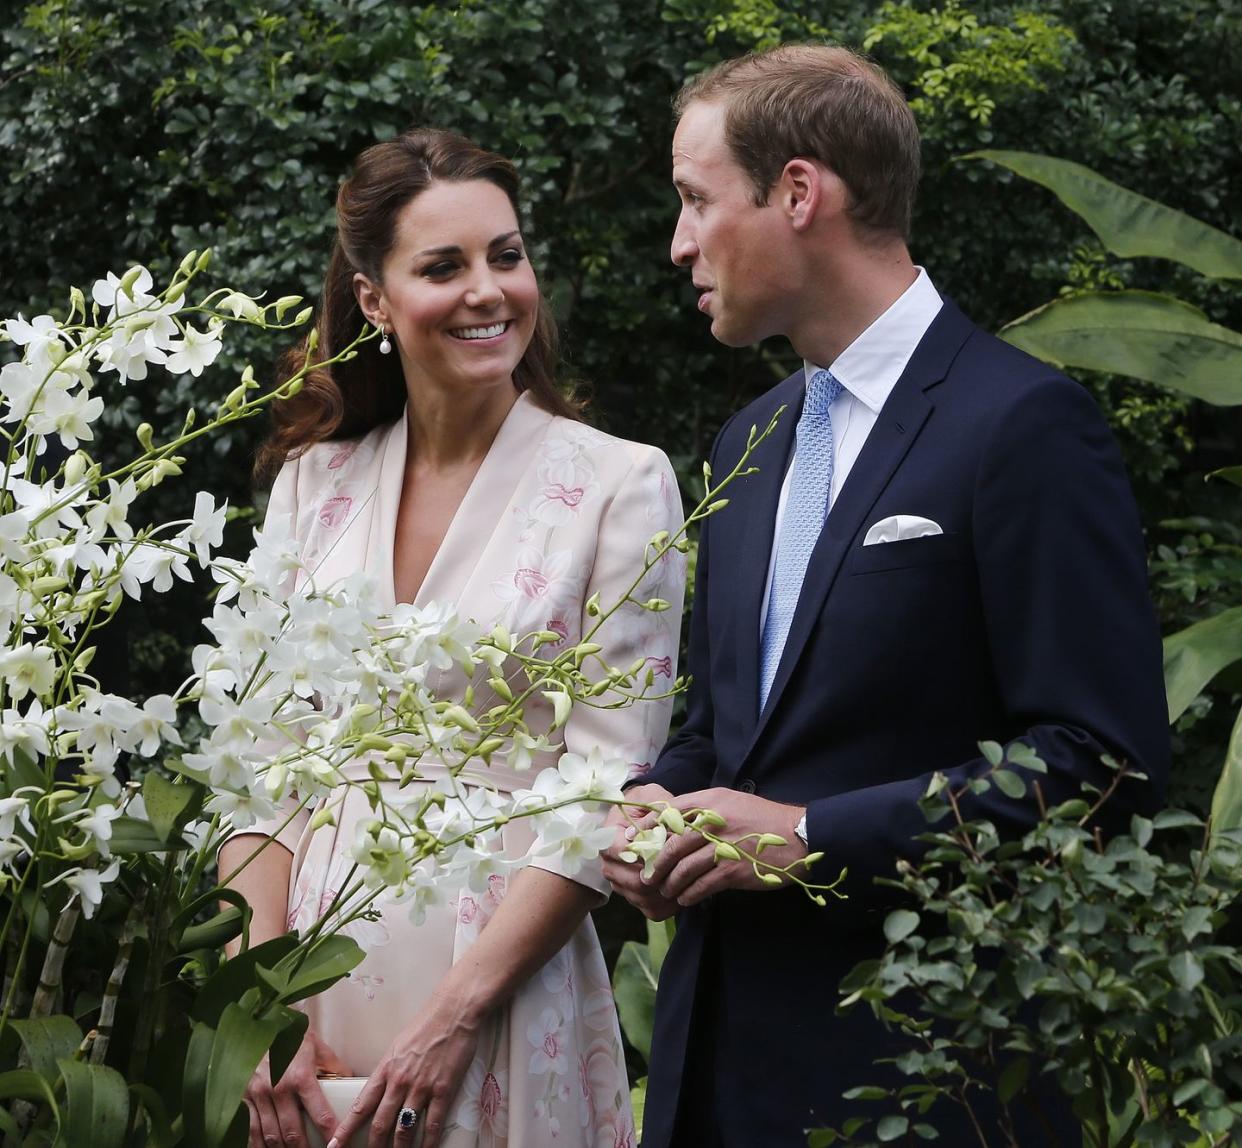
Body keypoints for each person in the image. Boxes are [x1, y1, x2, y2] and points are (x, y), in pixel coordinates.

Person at [601, 44, 1170, 1147]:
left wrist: (815, 834)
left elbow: (1102, 763)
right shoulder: (748, 439)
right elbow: (727, 738)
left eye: (694, 200)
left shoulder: (1023, 427)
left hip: (926, 1078)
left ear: (800, 193)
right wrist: (649, 810)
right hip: (714, 1072)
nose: (679, 243)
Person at [219, 128, 685, 1148]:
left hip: (498, 998)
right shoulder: (315, 482)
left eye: (505, 255)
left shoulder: (620, 484)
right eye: (444, 265)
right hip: (316, 991)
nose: (489, 290)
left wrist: (455, 1017)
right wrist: (262, 997)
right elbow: (261, 761)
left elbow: (599, 785)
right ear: (373, 297)